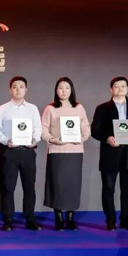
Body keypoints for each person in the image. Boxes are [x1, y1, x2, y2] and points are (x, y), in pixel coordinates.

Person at [91, 76, 128, 231]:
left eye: (123, 86)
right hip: (110, 152)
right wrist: (107, 138)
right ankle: (110, 220)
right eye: (117, 86)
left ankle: (126, 220)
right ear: (111, 89)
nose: (120, 89)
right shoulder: (102, 108)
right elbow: (94, 130)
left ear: (127, 88)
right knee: (108, 188)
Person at [41, 77, 91, 231]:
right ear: (56, 90)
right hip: (57, 152)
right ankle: (58, 218)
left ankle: (70, 218)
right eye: (60, 88)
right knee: (57, 185)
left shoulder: (79, 107)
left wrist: (82, 137)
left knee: (73, 185)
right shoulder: (50, 108)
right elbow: (43, 129)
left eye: (67, 88)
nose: (64, 91)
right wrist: (53, 140)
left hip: (75, 152)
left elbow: (86, 127)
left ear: (71, 90)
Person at [0, 76, 42, 231]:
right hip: (10, 152)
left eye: (21, 87)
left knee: (29, 187)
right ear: (10, 90)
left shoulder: (32, 109)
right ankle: (8, 219)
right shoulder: (2, 109)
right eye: (15, 87)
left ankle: (30, 219)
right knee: (8, 188)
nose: (18, 89)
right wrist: (6, 140)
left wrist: (34, 139)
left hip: (28, 152)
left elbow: (38, 128)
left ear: (26, 89)